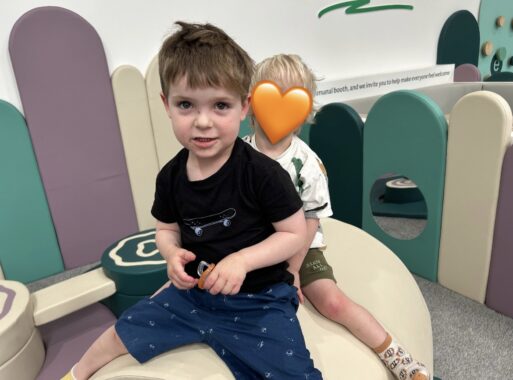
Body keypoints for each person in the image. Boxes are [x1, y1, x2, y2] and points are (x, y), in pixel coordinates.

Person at [61, 23, 322, 380]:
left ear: (244, 106)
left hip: (259, 299)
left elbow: (293, 233)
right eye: (186, 104)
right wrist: (170, 253)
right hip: (193, 296)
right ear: (166, 105)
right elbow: (166, 228)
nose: (203, 122)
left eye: (220, 106)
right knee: (123, 329)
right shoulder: (170, 176)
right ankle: (76, 374)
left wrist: (242, 261)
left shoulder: (262, 173)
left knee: (296, 373)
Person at [243, 53, 430, 380]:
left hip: (299, 247)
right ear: (252, 104)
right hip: (253, 246)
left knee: (331, 301)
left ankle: (397, 355)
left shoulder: (308, 164)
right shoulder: (239, 154)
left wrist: (293, 270)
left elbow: (311, 219)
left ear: (302, 114)